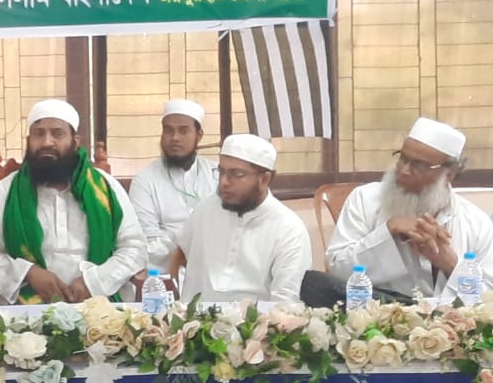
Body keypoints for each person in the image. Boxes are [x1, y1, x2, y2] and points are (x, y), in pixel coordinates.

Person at [0, 99, 146, 304]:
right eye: (39, 134)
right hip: (26, 311)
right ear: (29, 141)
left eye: (58, 134)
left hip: (99, 305)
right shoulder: (6, 192)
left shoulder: (106, 188)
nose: (47, 142)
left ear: (75, 141)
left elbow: (135, 248)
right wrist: (27, 273)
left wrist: (94, 282)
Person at [326, 118, 493, 301]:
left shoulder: (476, 223)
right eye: (402, 159)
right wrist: (388, 231)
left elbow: (488, 299)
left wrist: (450, 265)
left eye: (419, 166)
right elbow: (337, 270)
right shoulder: (365, 200)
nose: (404, 171)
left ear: (449, 174)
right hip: (378, 315)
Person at [176, 134, 311, 302]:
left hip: (256, 318)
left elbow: (285, 302)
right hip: (195, 316)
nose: (224, 182)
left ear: (264, 179)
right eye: (221, 172)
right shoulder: (205, 210)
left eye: (237, 174)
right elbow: (180, 252)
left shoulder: (289, 229)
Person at [127, 99, 218, 272]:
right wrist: (192, 240)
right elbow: (147, 243)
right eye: (168, 130)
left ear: (199, 135)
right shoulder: (145, 180)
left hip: (215, 267)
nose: (175, 138)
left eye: (183, 131)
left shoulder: (218, 175)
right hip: (163, 273)